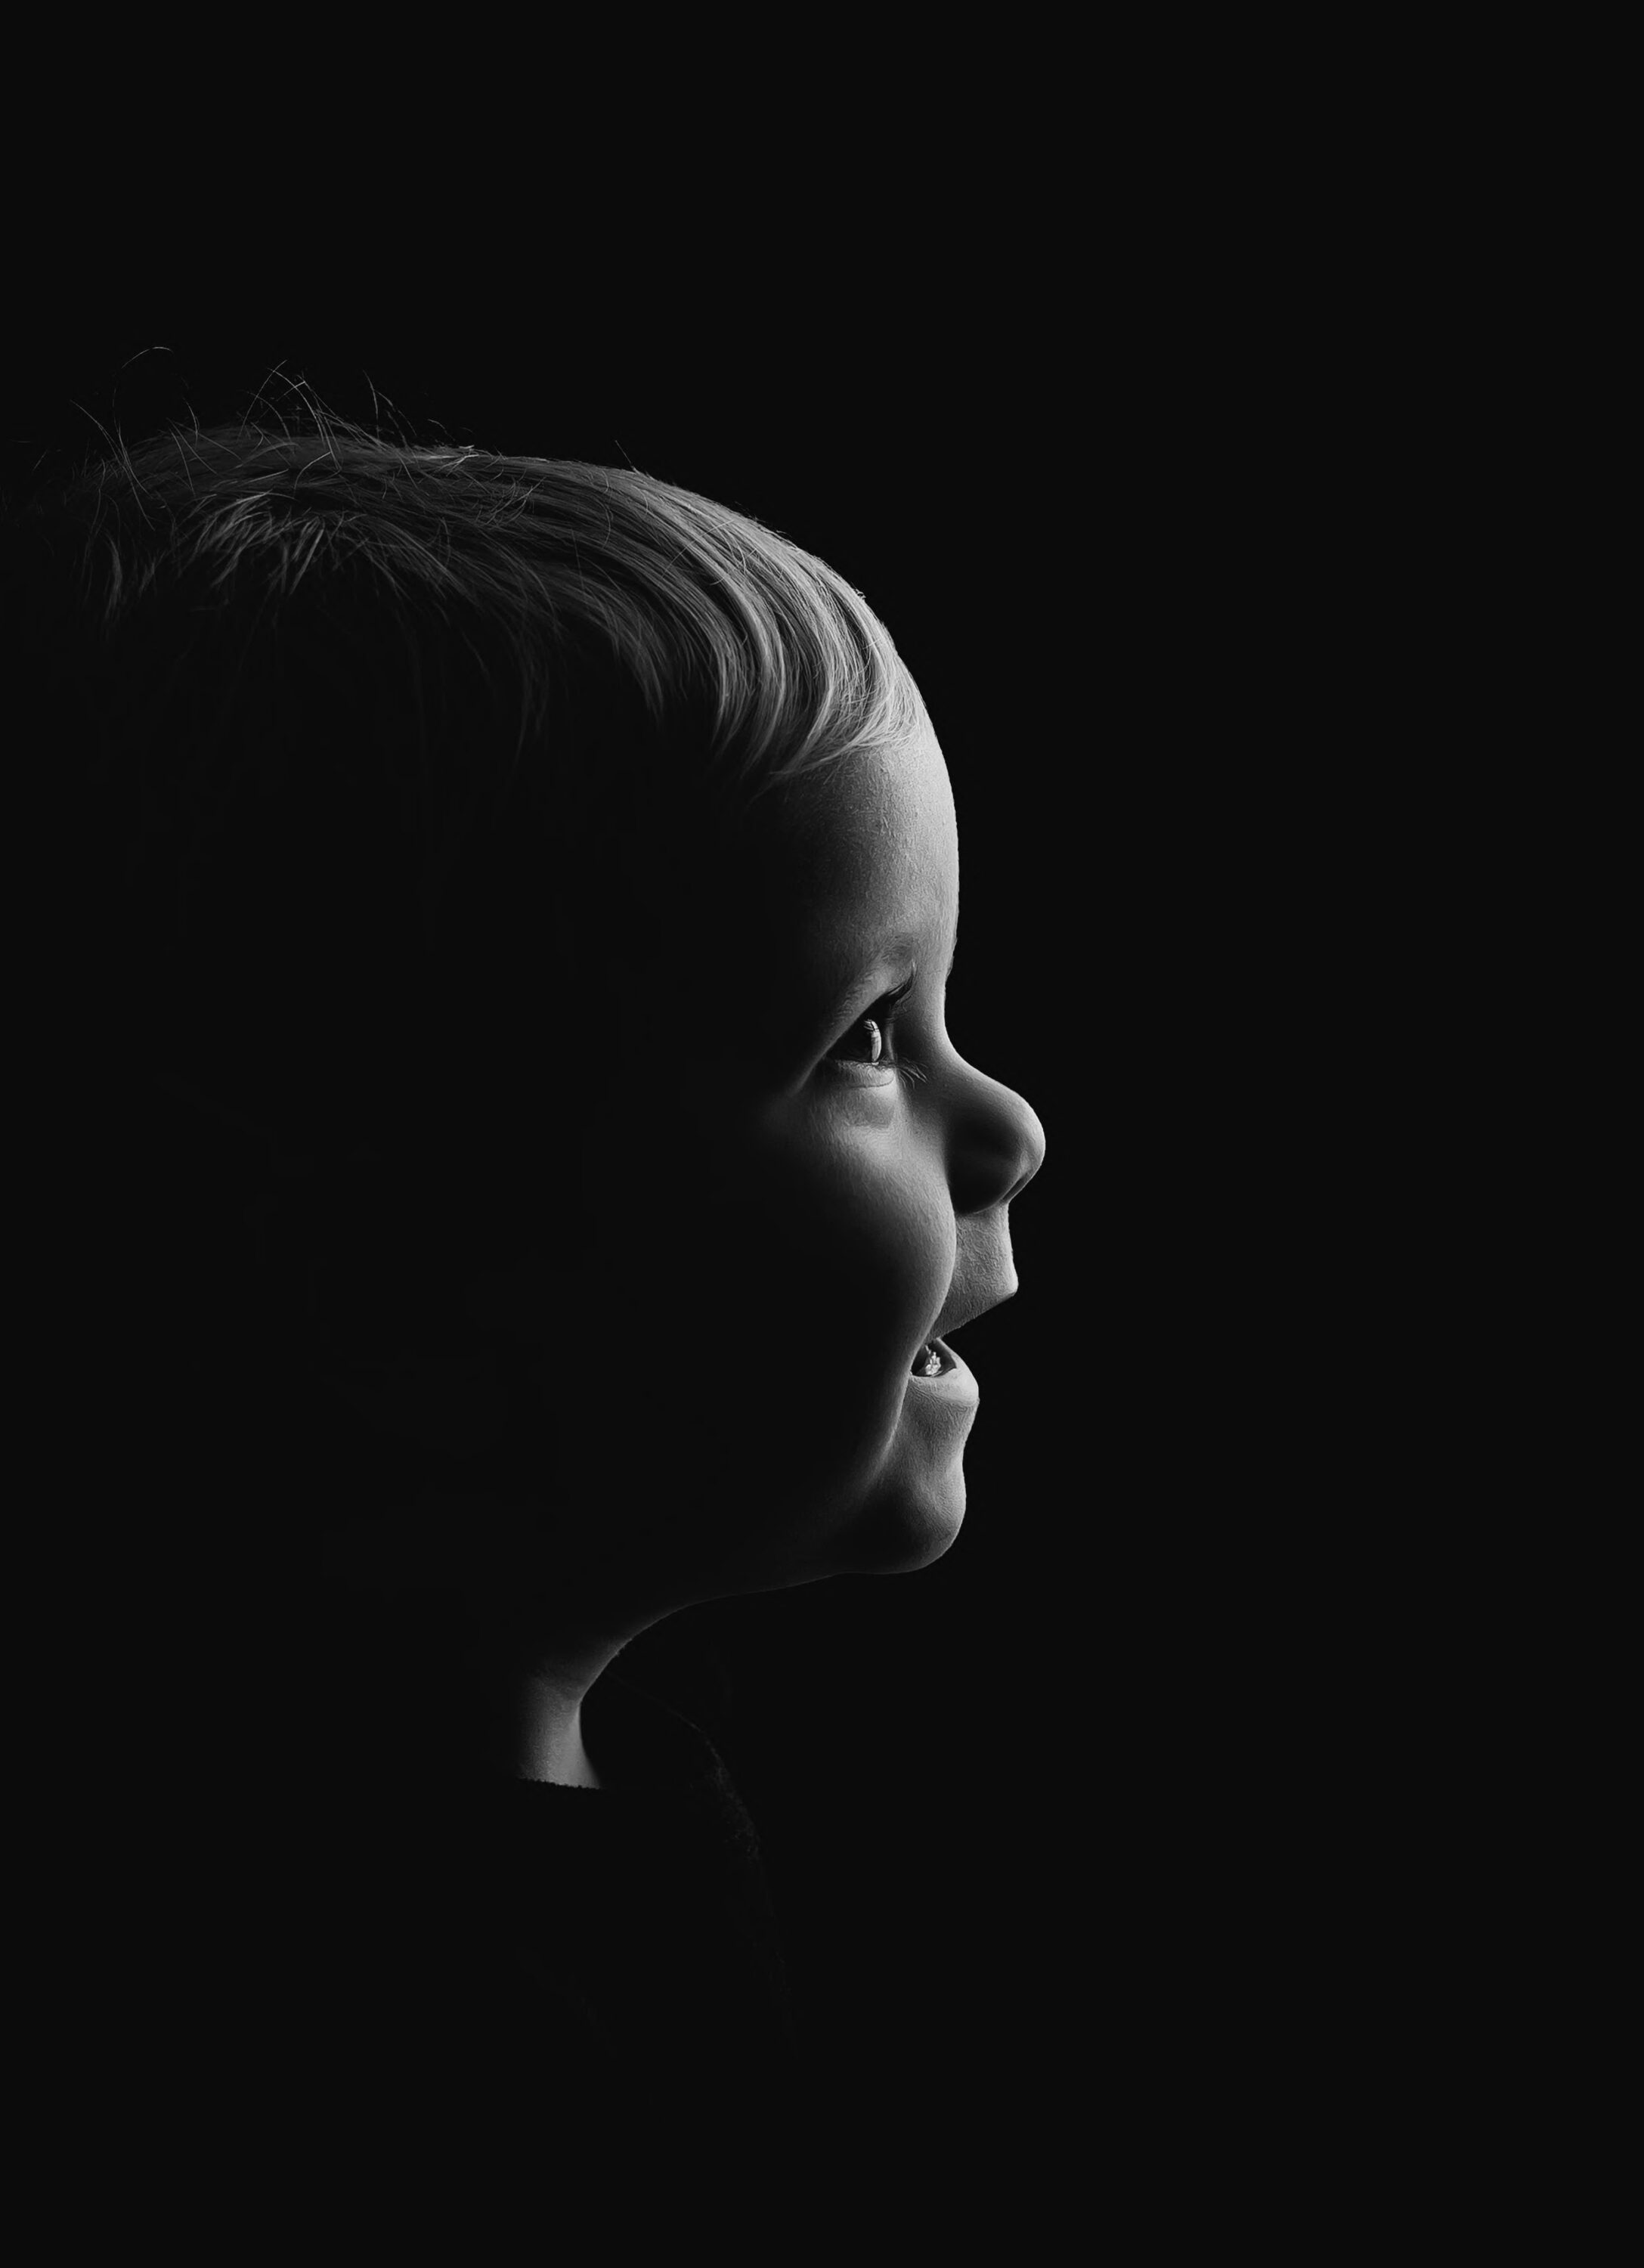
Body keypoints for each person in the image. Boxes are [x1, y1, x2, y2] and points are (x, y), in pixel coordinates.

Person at [8, 392, 1046, 2196]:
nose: (1011, 1126)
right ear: (398, 1296)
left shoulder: (609, 1822)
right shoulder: (330, 2050)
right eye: (863, 1038)